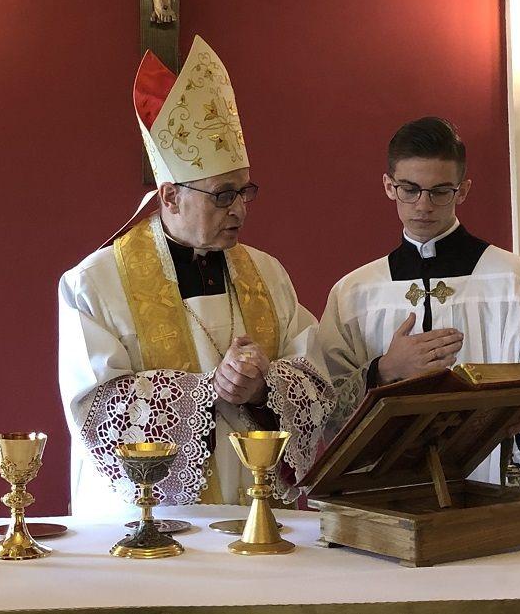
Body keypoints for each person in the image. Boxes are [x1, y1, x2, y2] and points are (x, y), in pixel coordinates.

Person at [59, 36, 332, 516]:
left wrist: (264, 386)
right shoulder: (94, 283)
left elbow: (313, 377)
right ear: (169, 196)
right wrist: (210, 389)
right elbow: (97, 409)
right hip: (148, 521)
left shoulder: (267, 274)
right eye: (223, 195)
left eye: (246, 191)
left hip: (258, 514)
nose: (241, 210)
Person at [317, 116, 520, 491]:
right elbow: (322, 410)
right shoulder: (354, 294)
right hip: (386, 497)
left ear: (463, 190)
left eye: (440, 191)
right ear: (388, 186)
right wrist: (384, 370)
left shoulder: (519, 283)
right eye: (409, 189)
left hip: (493, 494)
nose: (424, 205)